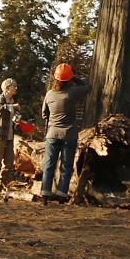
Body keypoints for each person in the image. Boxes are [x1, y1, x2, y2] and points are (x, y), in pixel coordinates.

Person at [37, 62, 91, 202]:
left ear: (56, 79)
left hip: (52, 134)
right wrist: (74, 78)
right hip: (69, 135)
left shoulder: (49, 94)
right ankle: (62, 194)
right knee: (66, 166)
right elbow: (88, 87)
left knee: (49, 165)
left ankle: (45, 193)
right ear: (68, 80)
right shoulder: (72, 93)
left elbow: (44, 114)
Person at [0, 77, 32, 188]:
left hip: (9, 135)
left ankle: (2, 182)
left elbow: (12, 118)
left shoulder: (12, 101)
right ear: (6, 88)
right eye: (13, 87)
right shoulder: (0, 99)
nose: (15, 88)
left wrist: (18, 120)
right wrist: (12, 106)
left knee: (9, 160)